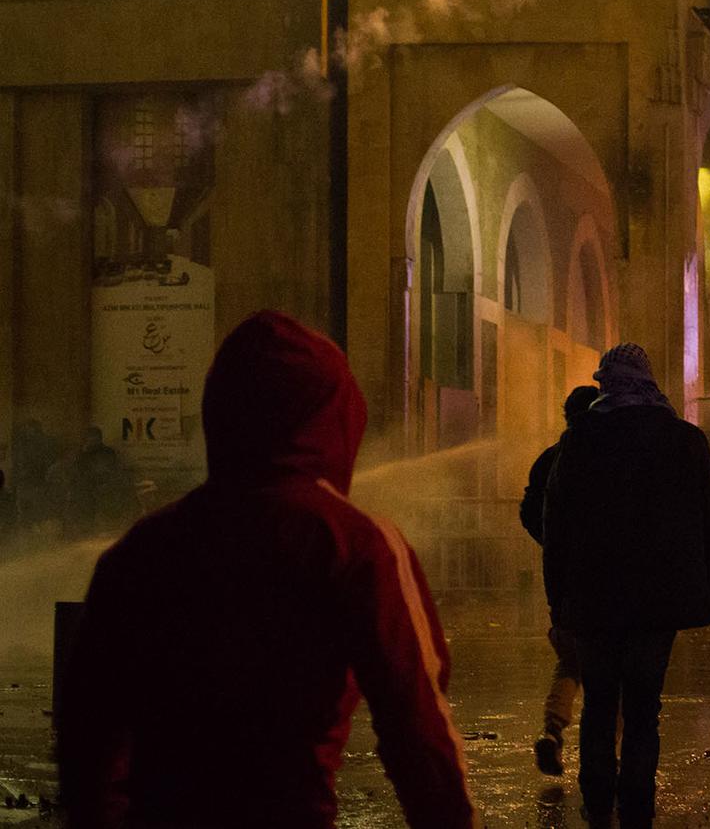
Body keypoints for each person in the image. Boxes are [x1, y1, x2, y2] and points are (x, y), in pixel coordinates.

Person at [57, 311, 477, 828]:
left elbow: (88, 733)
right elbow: (418, 730)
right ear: (334, 417)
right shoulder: (355, 545)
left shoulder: (140, 550)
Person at [542, 344, 710, 828]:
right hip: (657, 603)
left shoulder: (579, 442)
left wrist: (557, 602)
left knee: (600, 702)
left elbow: (555, 528)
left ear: (605, 383)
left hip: (593, 601)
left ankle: (599, 802)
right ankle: (637, 805)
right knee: (644, 706)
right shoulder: (684, 440)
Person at [520, 383, 599, 777]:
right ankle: (608, 759)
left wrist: (552, 546)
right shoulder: (606, 458)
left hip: (566, 582)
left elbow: (530, 510)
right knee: (610, 674)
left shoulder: (550, 458)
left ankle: (552, 731)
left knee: (571, 660)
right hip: (608, 581)